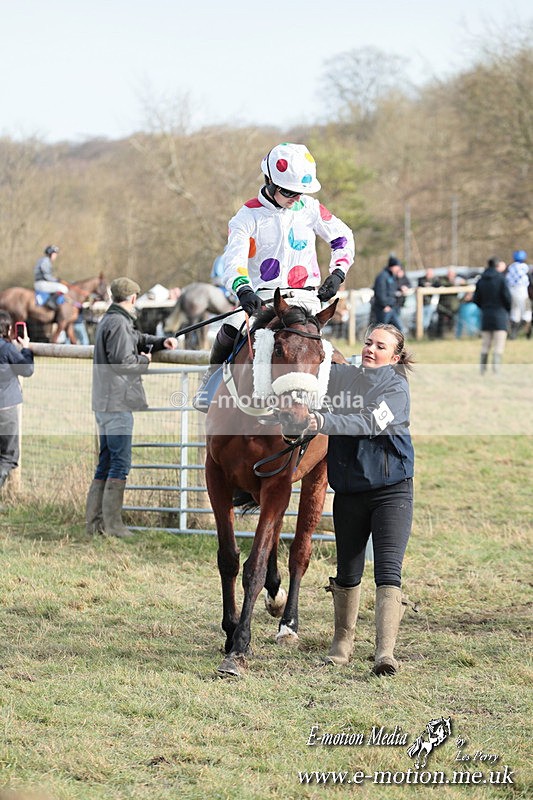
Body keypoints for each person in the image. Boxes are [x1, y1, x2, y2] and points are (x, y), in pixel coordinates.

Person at [194, 142, 355, 409]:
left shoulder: (311, 208)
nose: (296, 198)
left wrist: (338, 273)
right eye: (289, 191)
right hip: (265, 298)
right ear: (269, 181)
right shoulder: (246, 216)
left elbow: (343, 237)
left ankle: (343, 406)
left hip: (307, 299)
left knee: (325, 352)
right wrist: (243, 289)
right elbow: (233, 261)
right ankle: (209, 383)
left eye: (300, 192)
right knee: (230, 327)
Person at [307, 323, 415, 676]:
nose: (371, 349)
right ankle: (342, 644)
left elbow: (369, 422)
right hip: (350, 493)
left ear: (395, 358)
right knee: (347, 571)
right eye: (368, 342)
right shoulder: (344, 378)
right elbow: (314, 362)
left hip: (391, 492)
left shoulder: (396, 388)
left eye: (381, 346)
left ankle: (385, 653)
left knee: (388, 571)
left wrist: (322, 420)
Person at [85, 277, 178, 538]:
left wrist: (161, 342)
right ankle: (113, 526)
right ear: (134, 298)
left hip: (106, 401)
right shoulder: (118, 322)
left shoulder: (112, 320)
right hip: (116, 402)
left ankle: (94, 523)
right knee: (120, 463)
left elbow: (135, 337)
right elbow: (123, 362)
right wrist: (144, 360)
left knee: (106, 462)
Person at [0, 311, 34, 492]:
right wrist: (26, 348)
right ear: (8, 329)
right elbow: (27, 369)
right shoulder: (7, 349)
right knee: (8, 457)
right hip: (5, 408)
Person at [473, 258, 512, 374]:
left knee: (485, 345)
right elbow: (507, 298)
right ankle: (496, 371)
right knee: (498, 345)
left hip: (486, 315)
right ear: (497, 266)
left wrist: (484, 307)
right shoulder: (501, 279)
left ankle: (482, 370)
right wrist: (507, 309)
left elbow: (476, 299)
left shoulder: (481, 280)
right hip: (500, 315)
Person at [372, 256, 404, 330]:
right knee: (381, 329)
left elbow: (392, 289)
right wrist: (385, 305)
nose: (399, 269)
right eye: (397, 267)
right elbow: (380, 293)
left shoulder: (391, 276)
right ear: (392, 266)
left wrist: (400, 288)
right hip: (384, 308)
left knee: (397, 329)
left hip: (391, 307)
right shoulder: (382, 277)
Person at [505, 249, 531, 339]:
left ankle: (513, 334)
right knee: (527, 312)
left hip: (511, 290)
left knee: (515, 312)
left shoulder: (510, 267)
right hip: (522, 291)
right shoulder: (524, 267)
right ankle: (517, 332)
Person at [434, 268, 464, 338]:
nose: (450, 275)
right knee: (441, 323)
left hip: (453, 306)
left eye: (452, 274)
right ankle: (439, 337)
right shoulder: (442, 279)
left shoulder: (458, 280)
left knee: (452, 323)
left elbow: (466, 284)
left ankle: (451, 336)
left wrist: (462, 282)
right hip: (443, 306)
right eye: (449, 274)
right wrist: (453, 283)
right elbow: (438, 283)